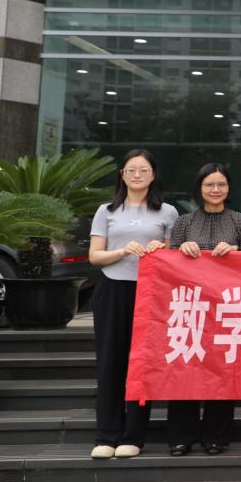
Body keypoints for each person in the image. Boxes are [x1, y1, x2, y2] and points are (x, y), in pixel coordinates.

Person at [86, 149, 179, 460]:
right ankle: (106, 434)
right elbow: (95, 256)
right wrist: (123, 251)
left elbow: (174, 255)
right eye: (131, 170)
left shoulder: (167, 212)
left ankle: (133, 435)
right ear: (122, 175)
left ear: (153, 175)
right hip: (112, 288)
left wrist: (160, 249)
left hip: (150, 292)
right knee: (109, 361)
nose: (137, 175)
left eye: (143, 170)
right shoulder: (106, 211)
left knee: (141, 363)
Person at [165, 162, 241, 456]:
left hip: (227, 306)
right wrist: (182, 250)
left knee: (222, 369)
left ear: (229, 188)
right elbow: (168, 263)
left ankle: (217, 435)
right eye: (209, 185)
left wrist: (237, 252)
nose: (216, 190)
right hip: (189, 305)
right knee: (185, 366)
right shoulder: (183, 222)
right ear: (199, 188)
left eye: (221, 184)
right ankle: (182, 435)